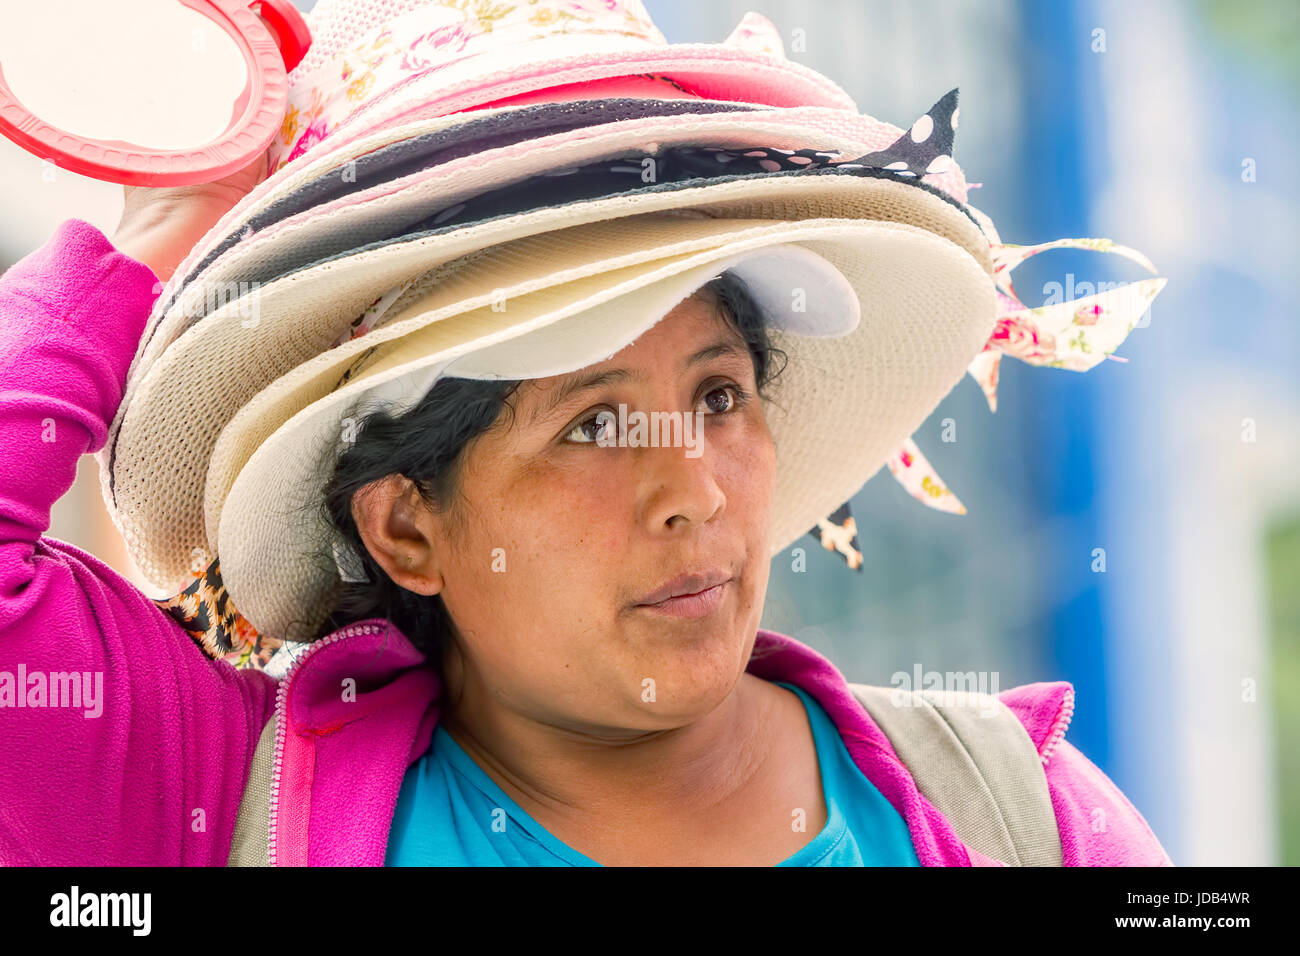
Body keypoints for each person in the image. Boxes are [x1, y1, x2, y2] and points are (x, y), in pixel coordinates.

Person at [0, 148, 1173, 867]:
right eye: (595, 423)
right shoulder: (219, 807)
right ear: (407, 526)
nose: (697, 486)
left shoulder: (1022, 810)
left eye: (719, 394)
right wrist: (145, 245)